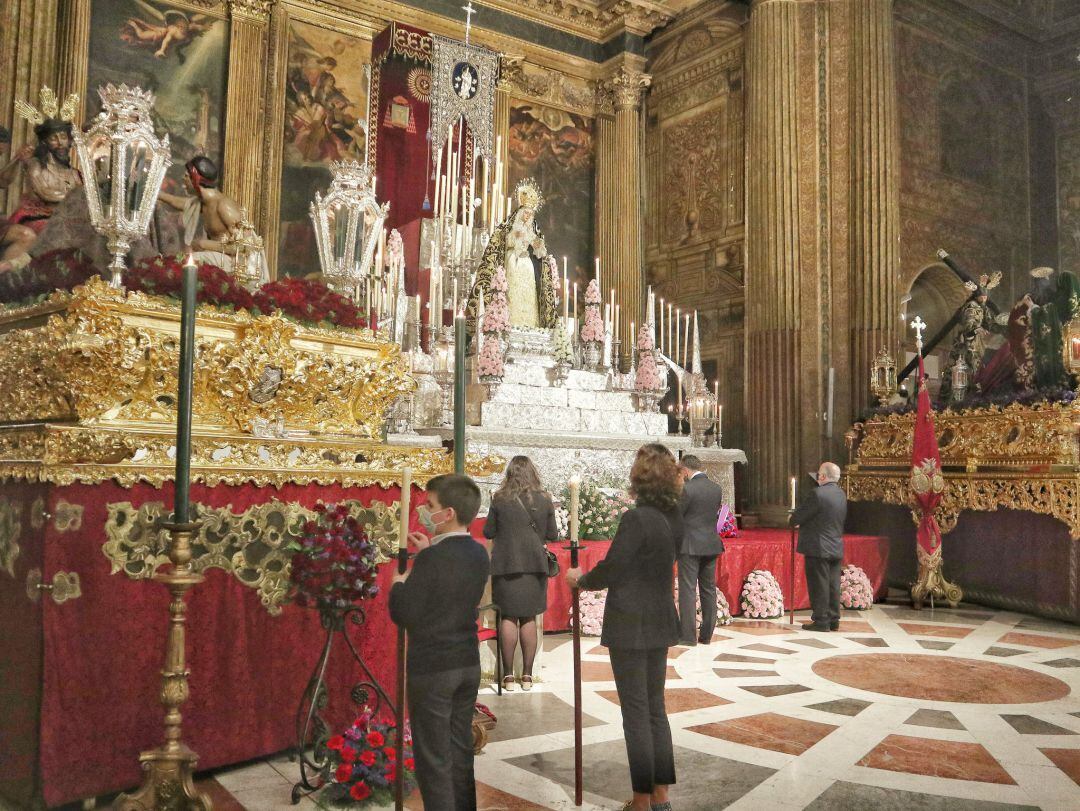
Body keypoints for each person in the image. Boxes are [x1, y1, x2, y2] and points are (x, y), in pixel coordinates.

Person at [566, 444, 683, 811]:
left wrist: (580, 579)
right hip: (660, 617)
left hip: (632, 622)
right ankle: (661, 795)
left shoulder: (637, 519)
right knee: (654, 709)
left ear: (641, 477)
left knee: (635, 712)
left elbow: (614, 567)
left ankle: (641, 800)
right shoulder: (673, 516)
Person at [389, 473, 489, 810]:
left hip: (433, 667)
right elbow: (451, 581)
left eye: (428, 505)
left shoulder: (432, 559)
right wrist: (428, 553)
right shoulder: (478, 553)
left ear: (446, 513)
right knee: (460, 749)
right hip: (465, 663)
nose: (422, 510)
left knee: (433, 759)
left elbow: (406, 614)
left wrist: (399, 584)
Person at [483, 455, 558, 691]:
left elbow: (488, 531)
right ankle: (526, 676)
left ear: (509, 474)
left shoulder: (499, 498)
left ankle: (507, 678)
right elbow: (553, 535)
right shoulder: (545, 499)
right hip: (535, 566)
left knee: (507, 617)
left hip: (506, 566)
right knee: (528, 618)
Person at [466, 177, 559, 333]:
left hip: (527, 264)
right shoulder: (510, 226)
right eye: (525, 213)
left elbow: (540, 252)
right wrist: (516, 237)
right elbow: (503, 241)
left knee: (528, 293)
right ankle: (509, 321)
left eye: (530, 213)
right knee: (512, 292)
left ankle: (531, 325)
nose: (527, 216)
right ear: (520, 212)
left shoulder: (533, 230)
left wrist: (537, 244)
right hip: (513, 262)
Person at [790, 462, 848, 632]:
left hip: (818, 546)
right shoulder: (841, 494)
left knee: (819, 585)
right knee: (832, 585)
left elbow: (800, 516)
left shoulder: (817, 494)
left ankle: (821, 620)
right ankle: (833, 619)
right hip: (835, 544)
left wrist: (792, 519)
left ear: (822, 476)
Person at [676, 454, 724, 646]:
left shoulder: (686, 489)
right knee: (708, 589)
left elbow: (677, 516)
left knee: (687, 590)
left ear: (686, 471)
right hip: (711, 544)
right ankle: (706, 635)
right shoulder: (716, 488)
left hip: (690, 546)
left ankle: (688, 637)